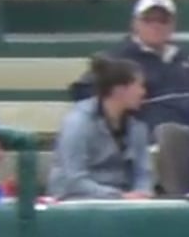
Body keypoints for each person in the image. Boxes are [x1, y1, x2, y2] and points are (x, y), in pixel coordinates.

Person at [70, 0, 189, 130]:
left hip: (188, 135)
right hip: (141, 137)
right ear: (135, 23)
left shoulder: (184, 59)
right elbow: (84, 92)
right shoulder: (117, 58)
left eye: (163, 20)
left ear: (173, 25)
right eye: (148, 19)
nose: (156, 25)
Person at [49, 54, 152, 200]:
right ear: (119, 90)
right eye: (139, 86)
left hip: (124, 200)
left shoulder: (137, 126)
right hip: (77, 201)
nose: (143, 92)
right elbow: (74, 179)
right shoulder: (78, 123)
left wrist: (143, 192)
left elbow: (143, 172)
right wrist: (119, 196)